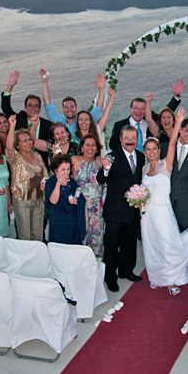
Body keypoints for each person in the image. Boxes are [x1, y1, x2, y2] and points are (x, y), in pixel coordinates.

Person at [140, 108, 188, 296]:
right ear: (180, 130)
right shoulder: (160, 150)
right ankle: (168, 273)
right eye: (186, 130)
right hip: (162, 206)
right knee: (165, 243)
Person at [96, 125, 145, 292]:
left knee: (129, 244)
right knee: (111, 246)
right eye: (127, 138)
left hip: (132, 211)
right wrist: (106, 168)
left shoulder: (141, 156)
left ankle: (126, 271)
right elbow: (101, 179)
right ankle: (110, 277)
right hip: (115, 211)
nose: (130, 141)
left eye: (133, 138)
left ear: (137, 139)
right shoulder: (112, 157)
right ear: (121, 140)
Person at [107, 79, 184, 154]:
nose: (138, 111)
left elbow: (165, 115)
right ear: (130, 109)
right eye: (136, 108)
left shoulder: (151, 120)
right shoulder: (119, 125)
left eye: (142, 109)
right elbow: (113, 144)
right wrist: (128, 150)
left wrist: (176, 97)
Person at [6, 115, 46, 241]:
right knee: (25, 236)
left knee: (38, 236)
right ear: (17, 145)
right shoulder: (16, 159)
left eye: (29, 139)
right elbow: (8, 147)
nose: (28, 142)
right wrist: (12, 126)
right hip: (23, 201)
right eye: (24, 141)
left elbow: (44, 175)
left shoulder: (37, 156)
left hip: (39, 200)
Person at [1, 70, 52, 166]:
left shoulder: (47, 125)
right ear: (25, 108)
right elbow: (5, 107)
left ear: (40, 109)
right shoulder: (18, 120)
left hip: (41, 167)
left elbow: (52, 145)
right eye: (30, 105)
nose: (33, 108)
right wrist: (10, 86)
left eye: (36, 106)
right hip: (19, 166)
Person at [40, 68, 106, 141]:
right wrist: (45, 82)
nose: (69, 109)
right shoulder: (58, 120)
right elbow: (48, 105)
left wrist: (101, 89)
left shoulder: (83, 121)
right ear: (63, 109)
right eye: (66, 107)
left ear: (76, 108)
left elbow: (98, 108)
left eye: (72, 106)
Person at [71, 134, 105, 257]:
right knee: (81, 236)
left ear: (97, 148)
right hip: (80, 206)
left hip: (97, 206)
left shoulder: (101, 162)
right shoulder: (74, 161)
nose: (90, 148)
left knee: (97, 237)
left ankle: (96, 265)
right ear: (81, 148)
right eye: (87, 145)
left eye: (93, 145)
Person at [45, 154, 85, 245]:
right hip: (58, 224)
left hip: (72, 224)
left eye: (68, 169)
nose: (66, 172)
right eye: (63, 169)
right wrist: (58, 184)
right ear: (56, 170)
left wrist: (76, 200)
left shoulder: (71, 181)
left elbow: (79, 197)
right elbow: (53, 201)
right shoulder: (50, 183)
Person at [74, 87, 116, 155]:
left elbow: (105, 114)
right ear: (77, 122)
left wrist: (112, 97)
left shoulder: (97, 131)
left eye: (86, 119)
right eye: (81, 119)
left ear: (90, 121)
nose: (84, 122)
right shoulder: (74, 138)